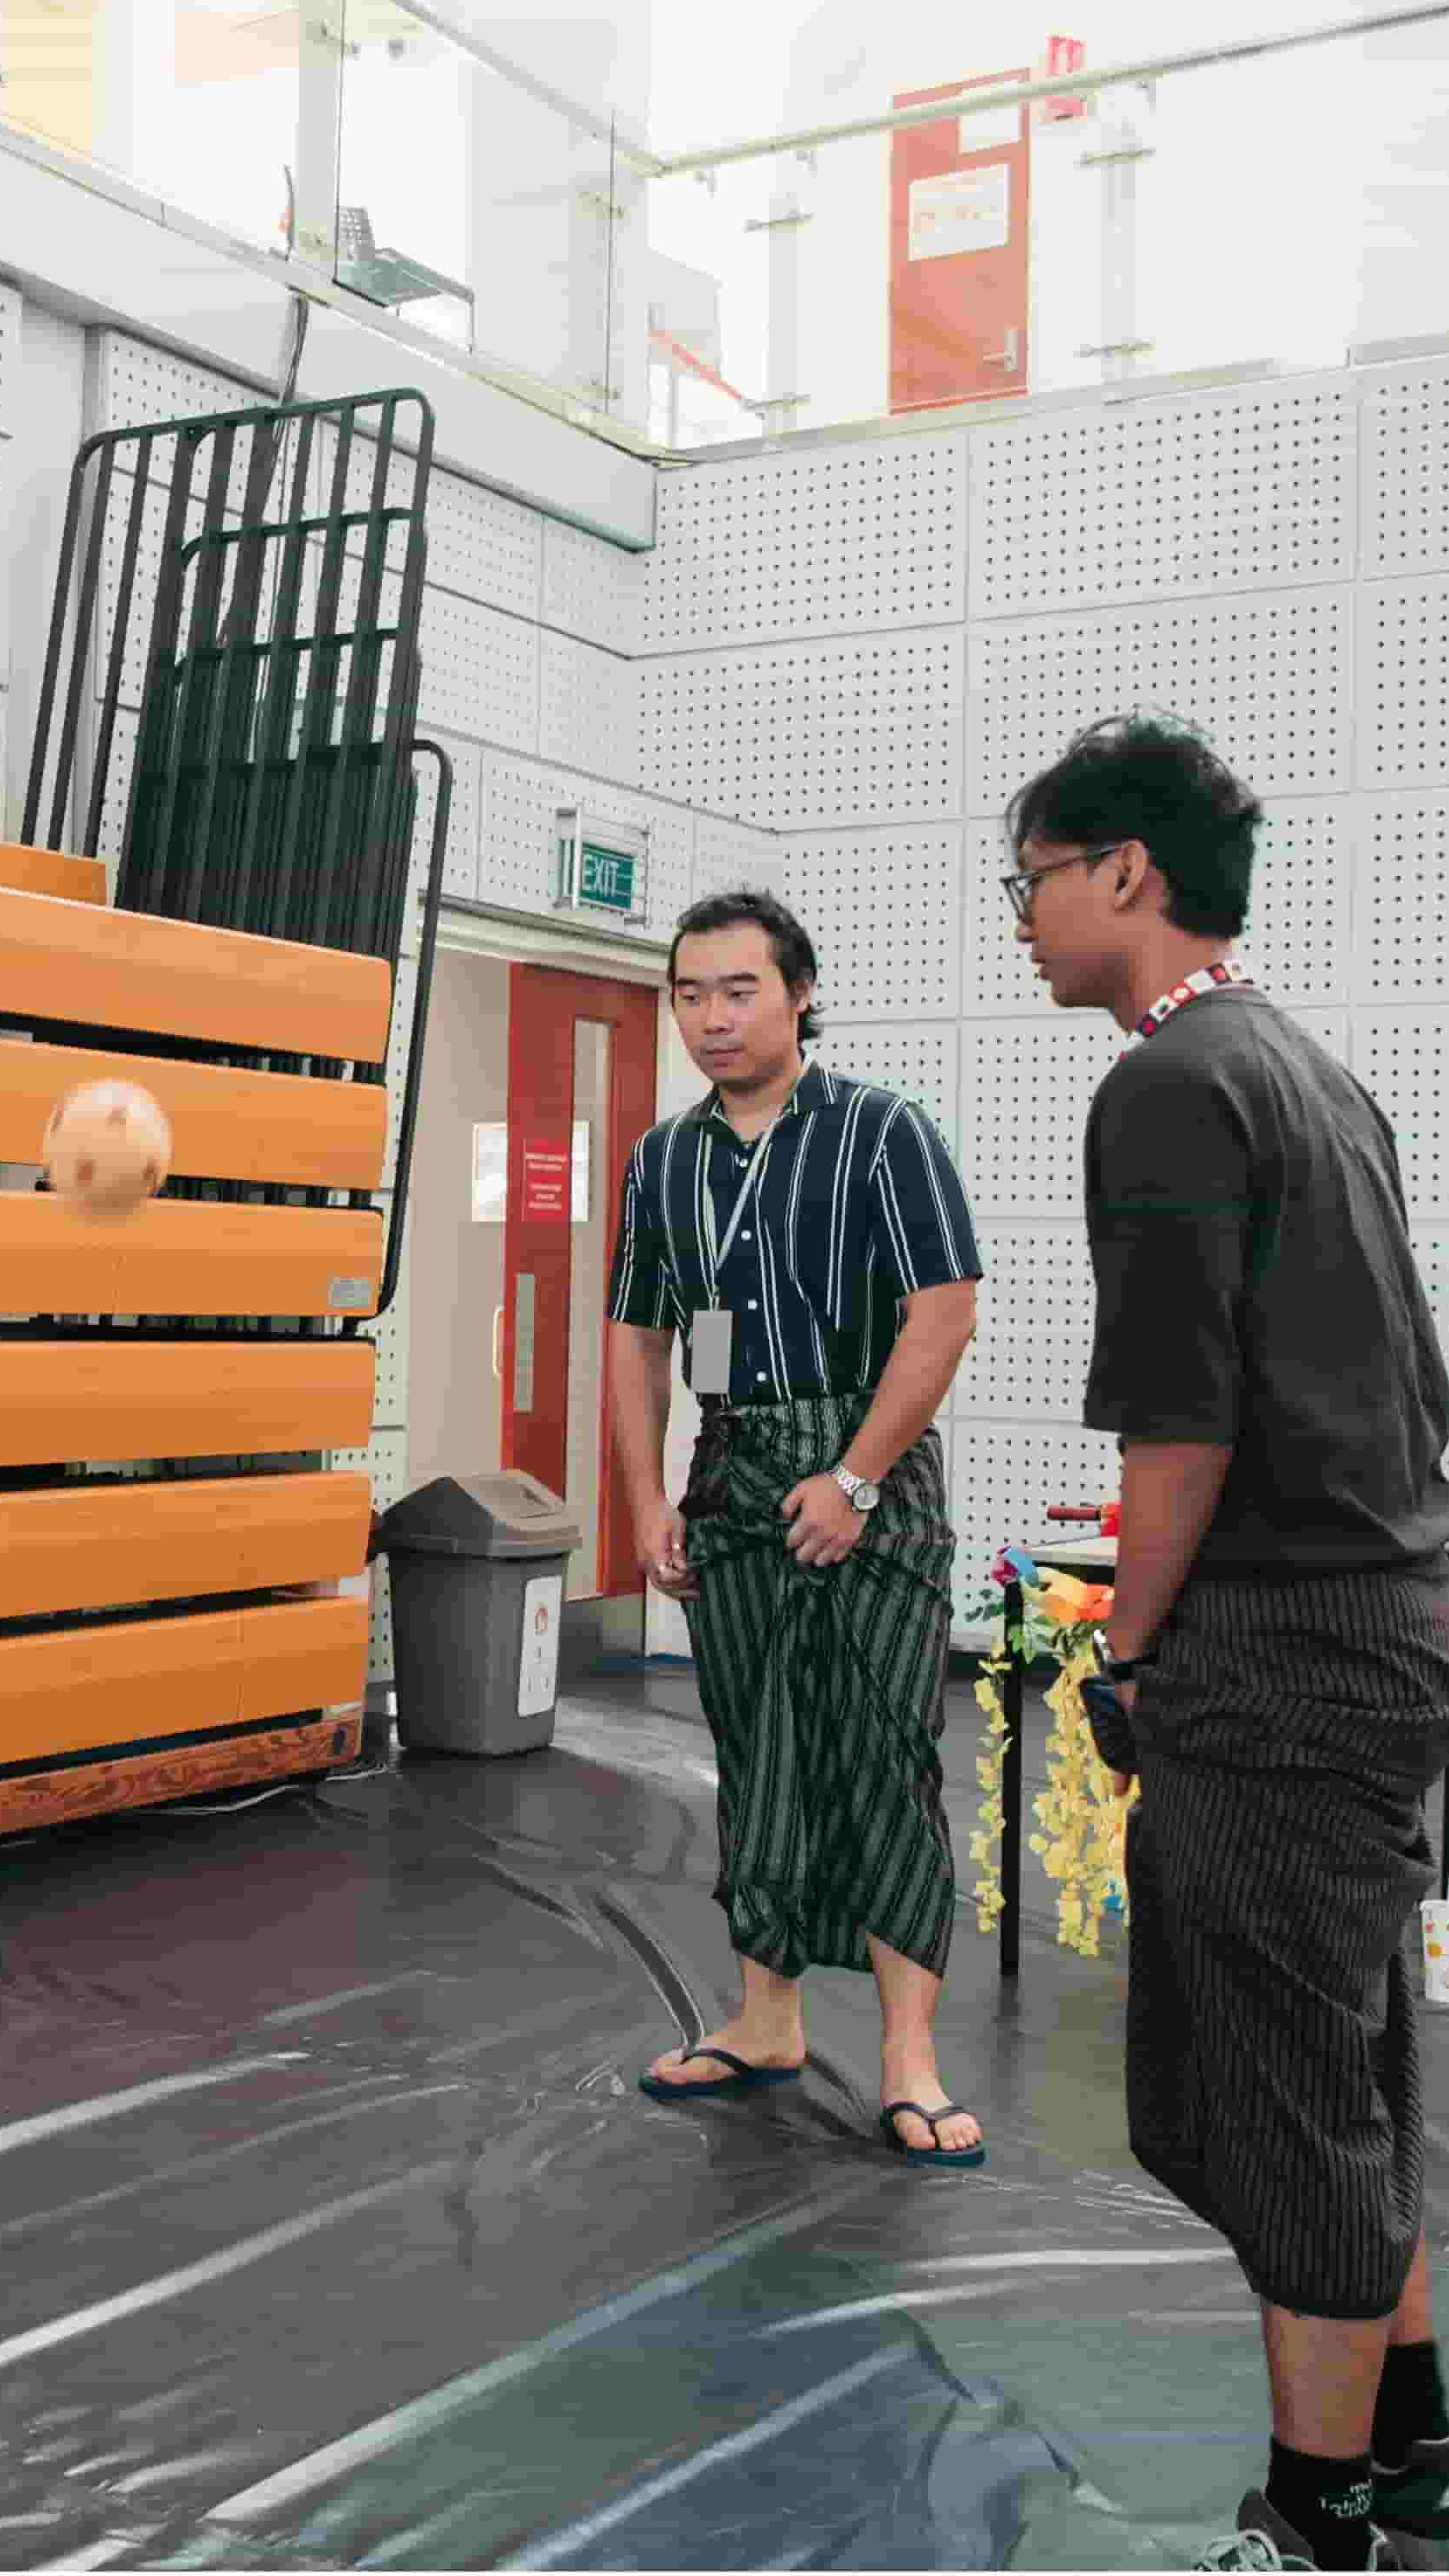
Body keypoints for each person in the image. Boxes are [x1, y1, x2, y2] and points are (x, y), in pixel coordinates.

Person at [1001, 719, 1449, 2573]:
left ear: (1122, 871)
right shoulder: (1310, 1069)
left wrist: (1121, 1647)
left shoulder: (1164, 1086)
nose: (1021, 920)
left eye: (1032, 878)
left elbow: (1181, 1427)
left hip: (1281, 1664)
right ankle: (1421, 2450)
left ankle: (1318, 2526)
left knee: (1276, 2102)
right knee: (1345, 2060)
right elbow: (1397, 1384)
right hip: (1388, 1626)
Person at [602, 891, 988, 2167]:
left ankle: (908, 2059)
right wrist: (652, 1498)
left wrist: (858, 1478)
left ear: (801, 992)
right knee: (759, 1752)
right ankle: (767, 2020)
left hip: (867, 1475)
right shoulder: (665, 1162)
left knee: (880, 1755)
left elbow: (942, 1314)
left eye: (739, 990)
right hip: (732, 1472)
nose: (711, 1018)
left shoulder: (885, 1134)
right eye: (690, 994)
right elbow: (642, 1337)